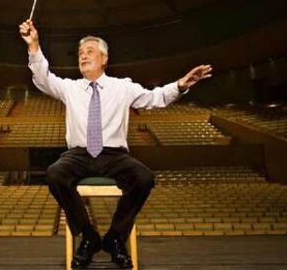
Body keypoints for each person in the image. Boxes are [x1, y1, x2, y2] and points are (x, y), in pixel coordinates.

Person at [19, 19, 212, 269]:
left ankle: (114, 239)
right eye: (80, 53)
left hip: (113, 155)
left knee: (144, 177)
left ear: (104, 58)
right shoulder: (70, 88)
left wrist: (180, 86)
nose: (83, 56)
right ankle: (88, 236)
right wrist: (33, 45)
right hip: (78, 154)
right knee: (55, 173)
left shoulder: (123, 86)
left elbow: (155, 98)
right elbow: (43, 78)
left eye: (89, 51)